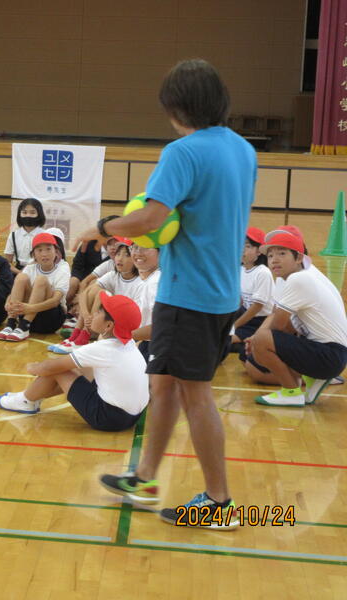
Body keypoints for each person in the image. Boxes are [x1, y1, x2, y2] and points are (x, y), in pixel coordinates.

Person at [78, 59, 256, 529]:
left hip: (190, 295)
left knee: (196, 396)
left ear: (176, 108)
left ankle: (219, 503)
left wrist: (102, 228)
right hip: (220, 292)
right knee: (162, 385)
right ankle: (144, 478)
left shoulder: (182, 152)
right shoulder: (242, 150)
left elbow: (151, 219)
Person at [0, 292, 148, 431]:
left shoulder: (103, 349)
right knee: (83, 368)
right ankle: (30, 397)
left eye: (98, 312)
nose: (94, 314)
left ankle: (25, 401)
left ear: (108, 326)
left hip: (108, 418)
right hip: (131, 417)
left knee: (58, 370)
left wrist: (33, 367)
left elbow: (51, 367)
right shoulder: (128, 343)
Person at [246, 232, 347, 406]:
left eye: (282, 253)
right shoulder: (301, 276)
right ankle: (312, 377)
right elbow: (285, 326)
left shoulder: (299, 279)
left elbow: (276, 327)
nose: (274, 260)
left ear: (299, 258)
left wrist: (257, 343)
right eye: (270, 256)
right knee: (259, 350)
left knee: (261, 342)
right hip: (332, 354)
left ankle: (291, 392)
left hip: (330, 355)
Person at [0, 232, 70, 342]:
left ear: (56, 252)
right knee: (21, 277)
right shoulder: (30, 268)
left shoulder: (63, 269)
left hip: (51, 319)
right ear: (33, 255)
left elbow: (55, 301)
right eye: (39, 250)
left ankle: (24, 326)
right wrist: (8, 303)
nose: (44, 254)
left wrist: (31, 308)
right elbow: (14, 293)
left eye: (48, 249)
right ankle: (11, 324)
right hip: (28, 314)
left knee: (41, 280)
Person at [231, 227, 273, 358]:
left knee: (225, 340)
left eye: (248, 246)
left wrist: (235, 325)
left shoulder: (262, 272)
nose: (242, 249)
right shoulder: (241, 269)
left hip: (259, 320)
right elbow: (240, 299)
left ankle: (247, 343)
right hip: (245, 313)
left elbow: (257, 307)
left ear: (259, 251)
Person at [4, 198, 46, 274]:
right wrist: (20, 273)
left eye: (32, 212)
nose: (28, 215)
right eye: (24, 212)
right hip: (18, 271)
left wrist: (27, 272)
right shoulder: (13, 235)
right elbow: (7, 262)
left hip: (39, 270)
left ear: (39, 214)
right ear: (19, 214)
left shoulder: (44, 235)